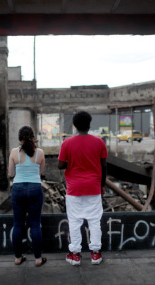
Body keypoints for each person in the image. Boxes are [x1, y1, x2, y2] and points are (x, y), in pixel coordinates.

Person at [58, 111, 107, 266]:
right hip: (94, 187)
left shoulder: (67, 143)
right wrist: (102, 185)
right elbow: (104, 167)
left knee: (74, 221)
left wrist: (71, 160)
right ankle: (95, 254)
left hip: (74, 189)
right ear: (89, 124)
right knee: (94, 221)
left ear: (74, 125)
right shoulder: (99, 142)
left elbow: (60, 165)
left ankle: (75, 255)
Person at [8, 126, 47, 267]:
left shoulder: (14, 152)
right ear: (32, 136)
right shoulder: (40, 153)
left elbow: (11, 174)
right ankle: (38, 259)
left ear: (20, 138)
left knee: (18, 224)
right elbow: (40, 172)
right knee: (35, 224)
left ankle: (18, 258)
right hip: (35, 188)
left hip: (18, 188)